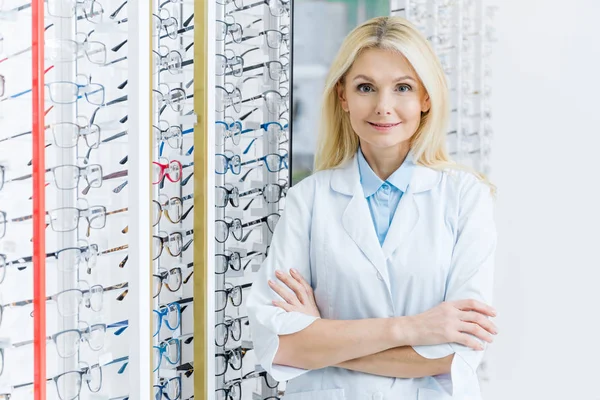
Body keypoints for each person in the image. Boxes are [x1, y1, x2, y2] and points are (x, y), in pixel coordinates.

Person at [246, 15, 498, 400]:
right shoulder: (308, 200)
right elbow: (280, 345)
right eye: (366, 87)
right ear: (343, 96)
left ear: (425, 98)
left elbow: (455, 355)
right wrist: (412, 329)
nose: (384, 106)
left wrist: (325, 335)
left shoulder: (466, 196)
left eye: (402, 88)